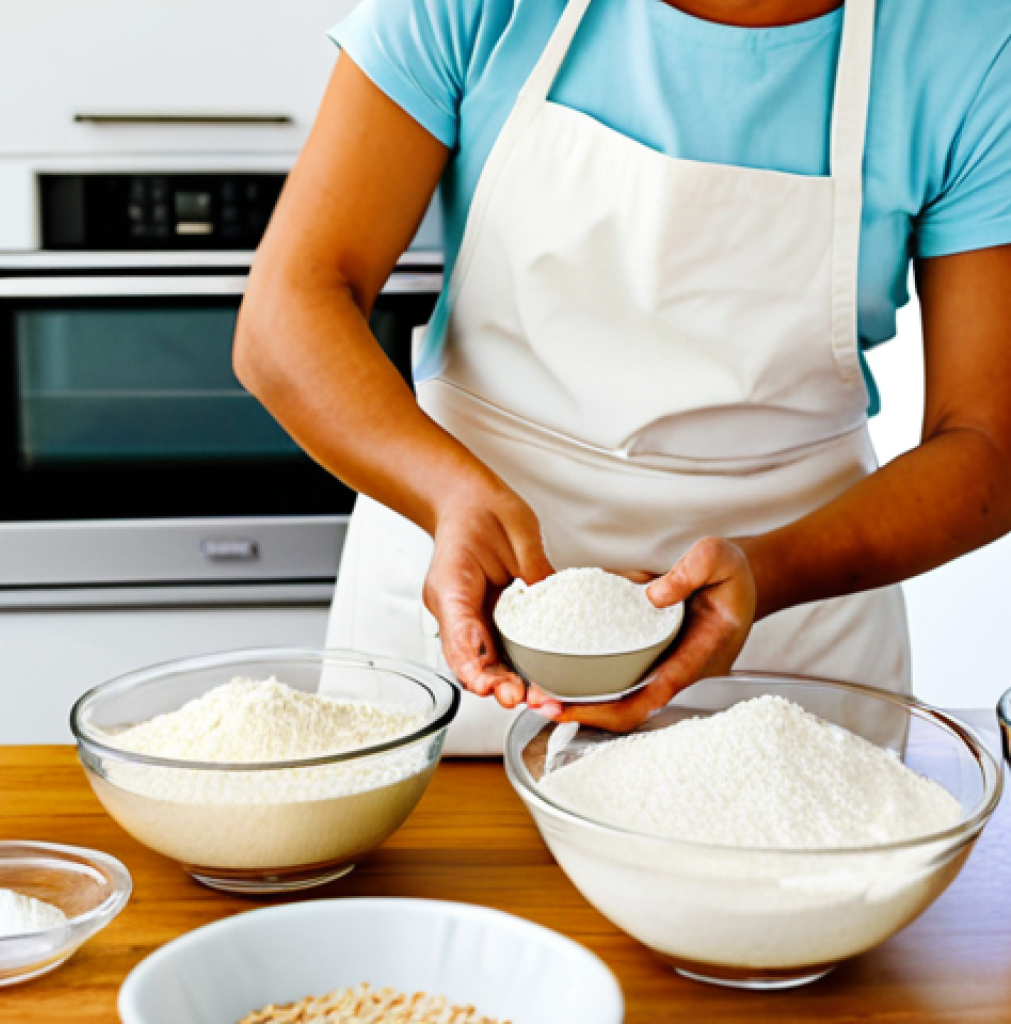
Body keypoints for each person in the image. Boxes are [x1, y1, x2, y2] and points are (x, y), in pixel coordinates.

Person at [234, 0, 1011, 750]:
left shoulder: (971, 45)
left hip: (785, 661)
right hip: (458, 636)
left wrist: (766, 574)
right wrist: (445, 496)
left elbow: (988, 444)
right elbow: (286, 314)